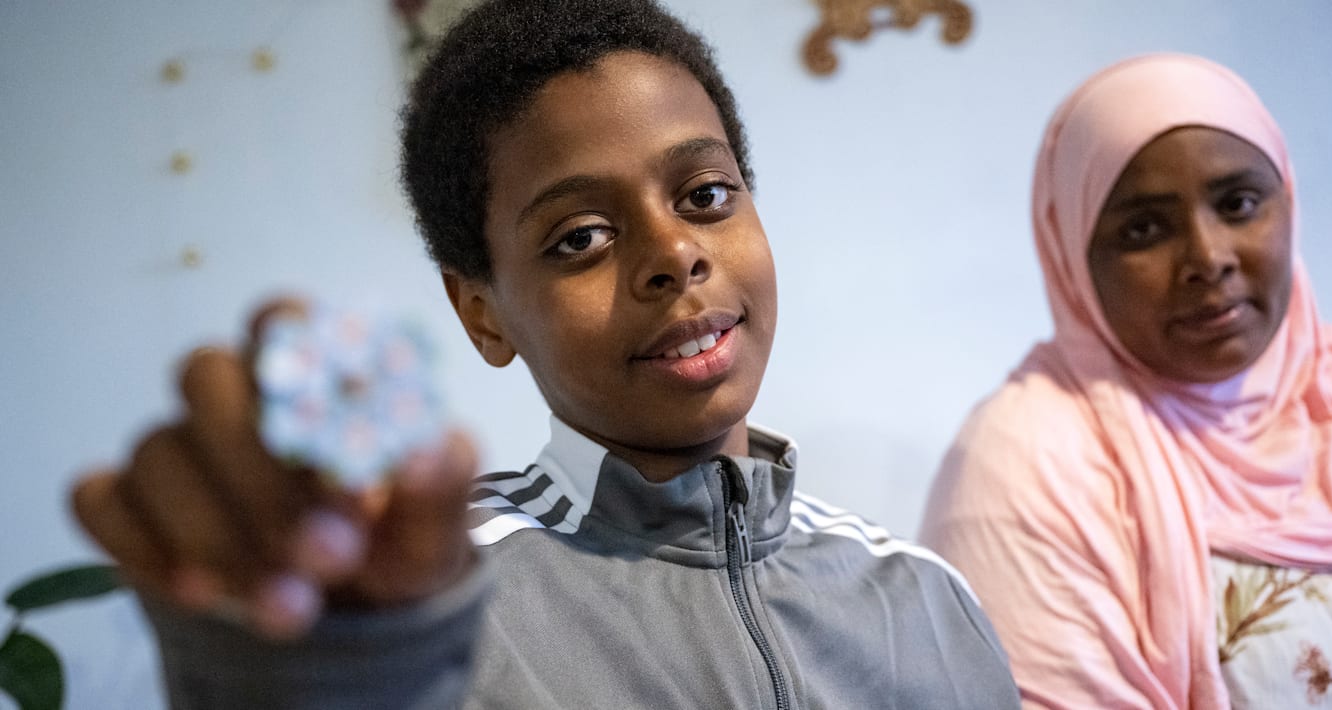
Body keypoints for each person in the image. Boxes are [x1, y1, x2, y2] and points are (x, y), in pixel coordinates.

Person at [70, 1, 1021, 707]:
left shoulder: (926, 602)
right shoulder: (422, 602)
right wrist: (324, 666)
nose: (674, 254)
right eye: (580, 238)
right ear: (483, 315)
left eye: (704, 196)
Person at [920, 53, 1332, 709]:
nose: (1208, 258)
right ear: (1074, 256)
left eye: (1239, 204)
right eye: (1144, 229)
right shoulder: (1025, 465)